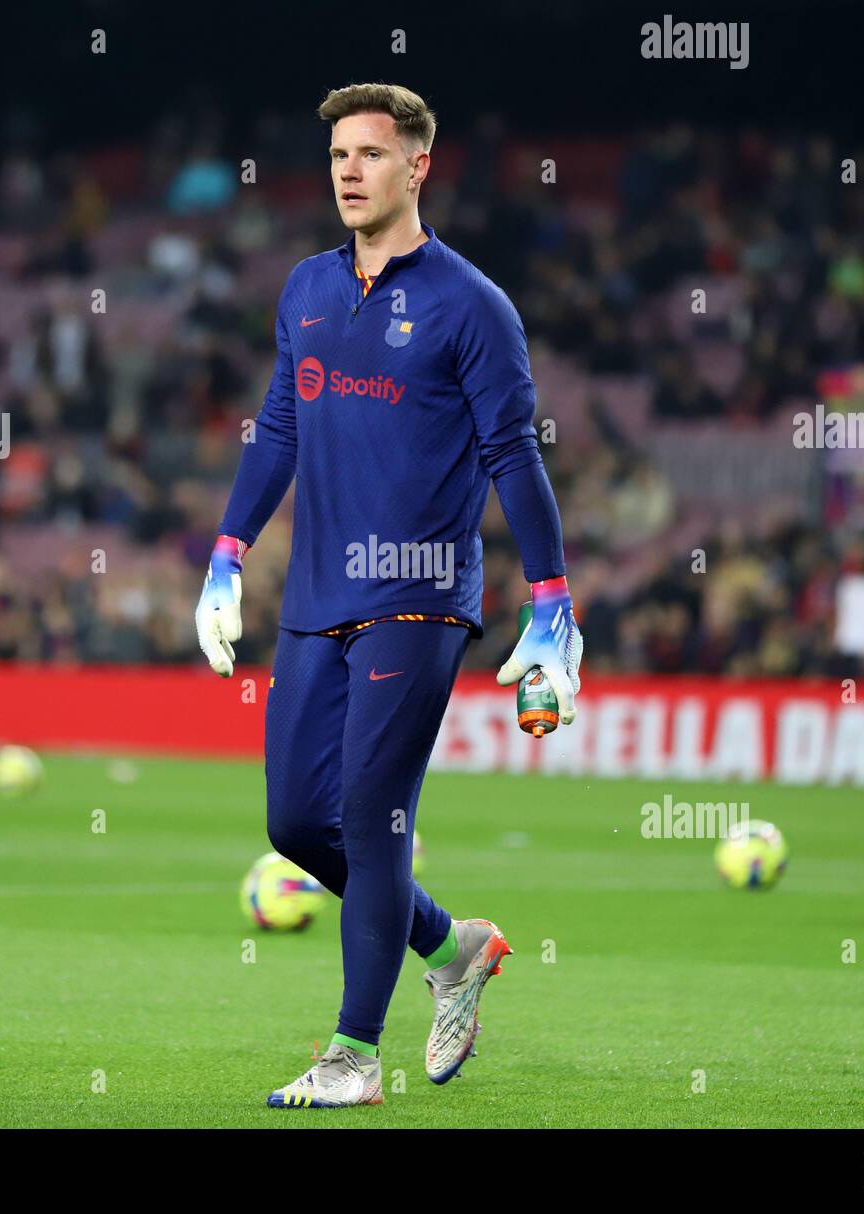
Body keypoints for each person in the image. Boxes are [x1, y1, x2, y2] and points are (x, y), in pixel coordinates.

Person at [195, 83, 582, 1108]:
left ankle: (353, 1056)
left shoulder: (473, 305)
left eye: (369, 153)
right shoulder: (306, 289)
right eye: (337, 156)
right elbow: (279, 427)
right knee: (296, 823)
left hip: (420, 593)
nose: (349, 172)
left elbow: (513, 455)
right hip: (317, 593)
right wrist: (227, 552)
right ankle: (452, 947)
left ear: (418, 166)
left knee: (371, 815)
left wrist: (551, 601)